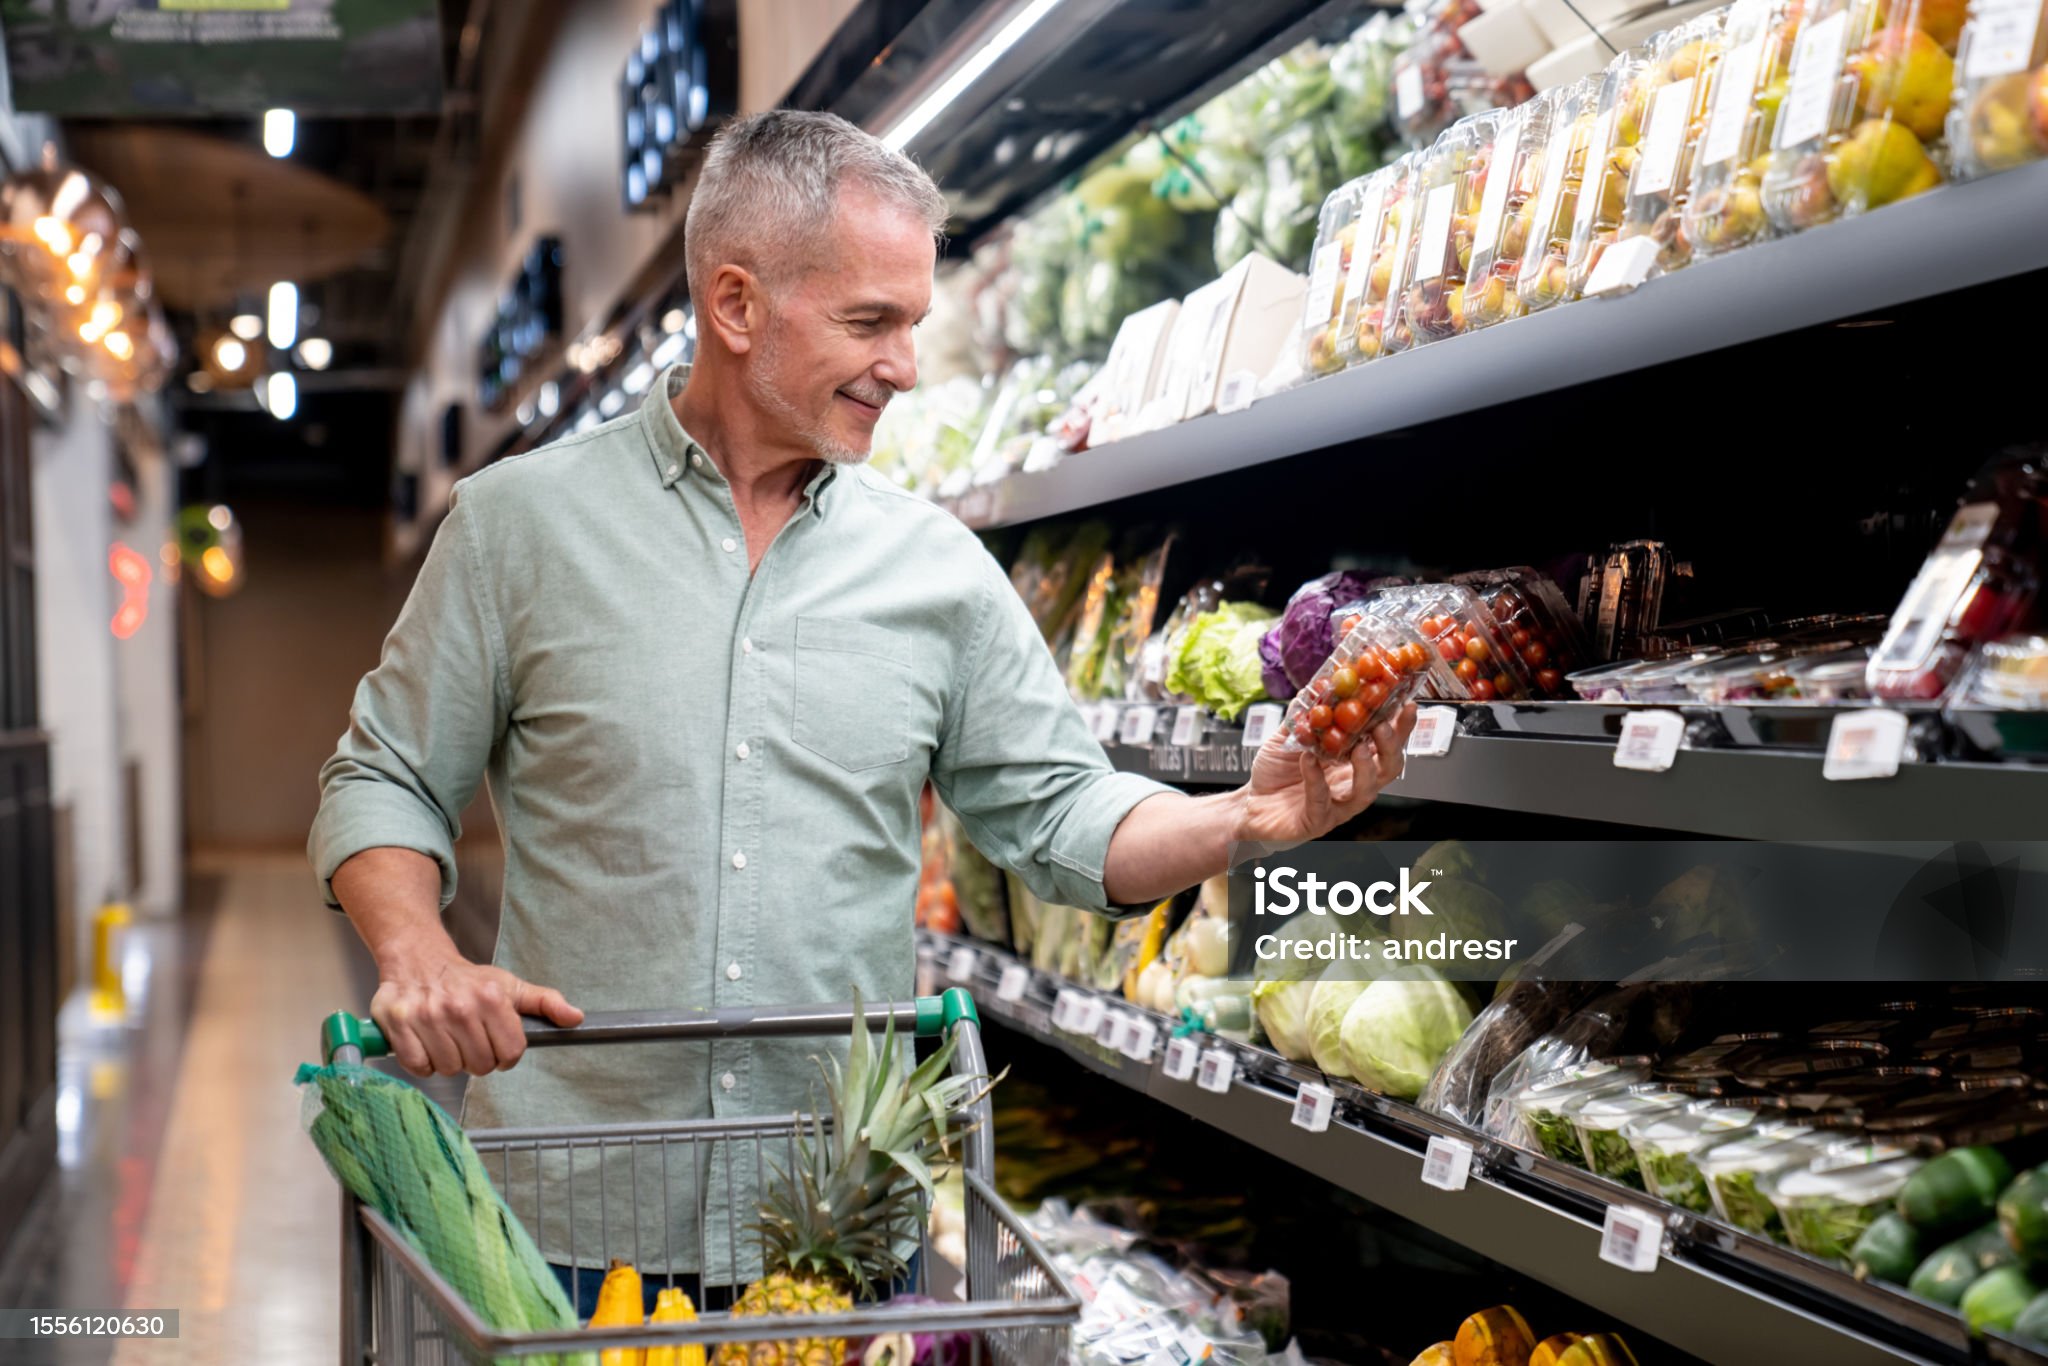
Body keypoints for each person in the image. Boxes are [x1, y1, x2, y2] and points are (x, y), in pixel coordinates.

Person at [308, 109, 1413, 1302]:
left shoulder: (935, 571)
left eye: (913, 323)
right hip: (576, 1221)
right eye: (868, 321)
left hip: (833, 1224)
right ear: (735, 307)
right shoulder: (517, 526)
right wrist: (418, 950)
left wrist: (1242, 823)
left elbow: (1060, 813)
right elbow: (383, 776)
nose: (905, 364)